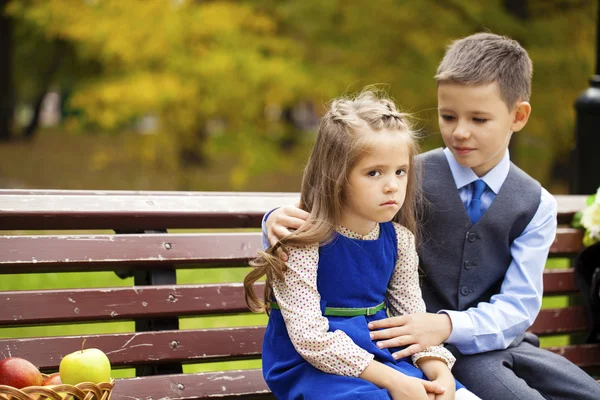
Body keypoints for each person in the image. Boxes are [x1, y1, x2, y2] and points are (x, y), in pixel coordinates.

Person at [264, 33, 600, 400]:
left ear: (517, 116)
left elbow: (518, 306)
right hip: (410, 349)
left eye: (479, 118)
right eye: (448, 116)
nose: (460, 131)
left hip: (500, 341)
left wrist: (445, 326)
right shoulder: (407, 173)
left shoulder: (537, 204)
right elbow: (333, 199)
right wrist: (274, 219)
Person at [244, 90, 480, 399]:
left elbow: (410, 318)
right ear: (336, 176)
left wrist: (440, 371)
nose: (392, 185)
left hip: (383, 356)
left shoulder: (400, 240)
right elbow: (310, 340)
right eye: (374, 172)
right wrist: (392, 381)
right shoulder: (303, 240)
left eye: (400, 171)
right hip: (314, 366)